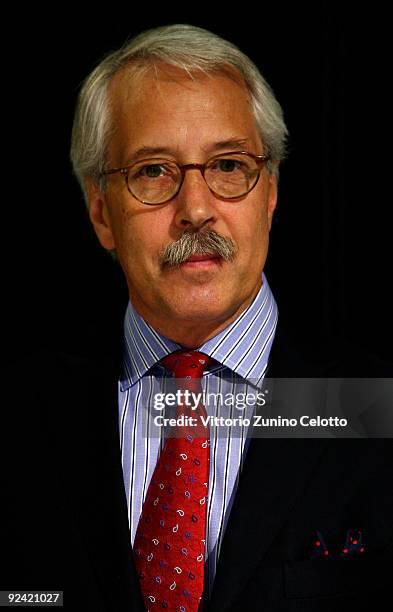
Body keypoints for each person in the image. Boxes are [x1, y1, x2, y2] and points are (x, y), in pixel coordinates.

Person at [2, 24, 392, 612]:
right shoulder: (19, 417)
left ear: (272, 192)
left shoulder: (373, 405)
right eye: (154, 171)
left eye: (229, 165)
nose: (197, 210)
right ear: (101, 211)